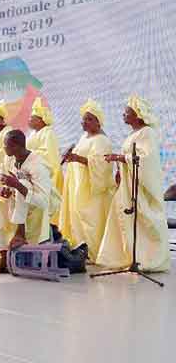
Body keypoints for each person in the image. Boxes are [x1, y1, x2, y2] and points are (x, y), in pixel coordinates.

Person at [96, 95, 170, 272]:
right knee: (125, 219)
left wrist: (120, 157)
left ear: (138, 115)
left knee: (143, 220)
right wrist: (120, 167)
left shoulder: (147, 132)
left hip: (141, 187)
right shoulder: (134, 134)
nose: (123, 115)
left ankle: (148, 259)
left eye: (127, 112)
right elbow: (132, 157)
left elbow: (146, 159)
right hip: (128, 185)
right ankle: (129, 257)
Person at [0, 130, 52, 274]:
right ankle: (3, 259)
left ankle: (20, 232)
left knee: (23, 182)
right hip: (12, 206)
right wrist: (1, 189)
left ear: (16, 146)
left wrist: (17, 186)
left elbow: (44, 202)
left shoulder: (38, 165)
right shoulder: (9, 159)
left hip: (34, 213)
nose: (3, 148)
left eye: (6, 145)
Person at [58, 99, 115, 260]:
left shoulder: (102, 140)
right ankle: (81, 251)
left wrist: (78, 158)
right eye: (84, 118)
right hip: (79, 187)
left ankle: (94, 253)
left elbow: (101, 164)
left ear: (98, 122)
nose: (85, 122)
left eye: (90, 119)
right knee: (78, 220)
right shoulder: (84, 137)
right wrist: (71, 157)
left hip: (92, 191)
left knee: (92, 222)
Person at [26, 97, 63, 225]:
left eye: (32, 118)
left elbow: (50, 155)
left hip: (46, 175)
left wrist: (31, 154)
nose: (29, 120)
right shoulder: (32, 134)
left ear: (41, 120)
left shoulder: (48, 133)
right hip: (32, 174)